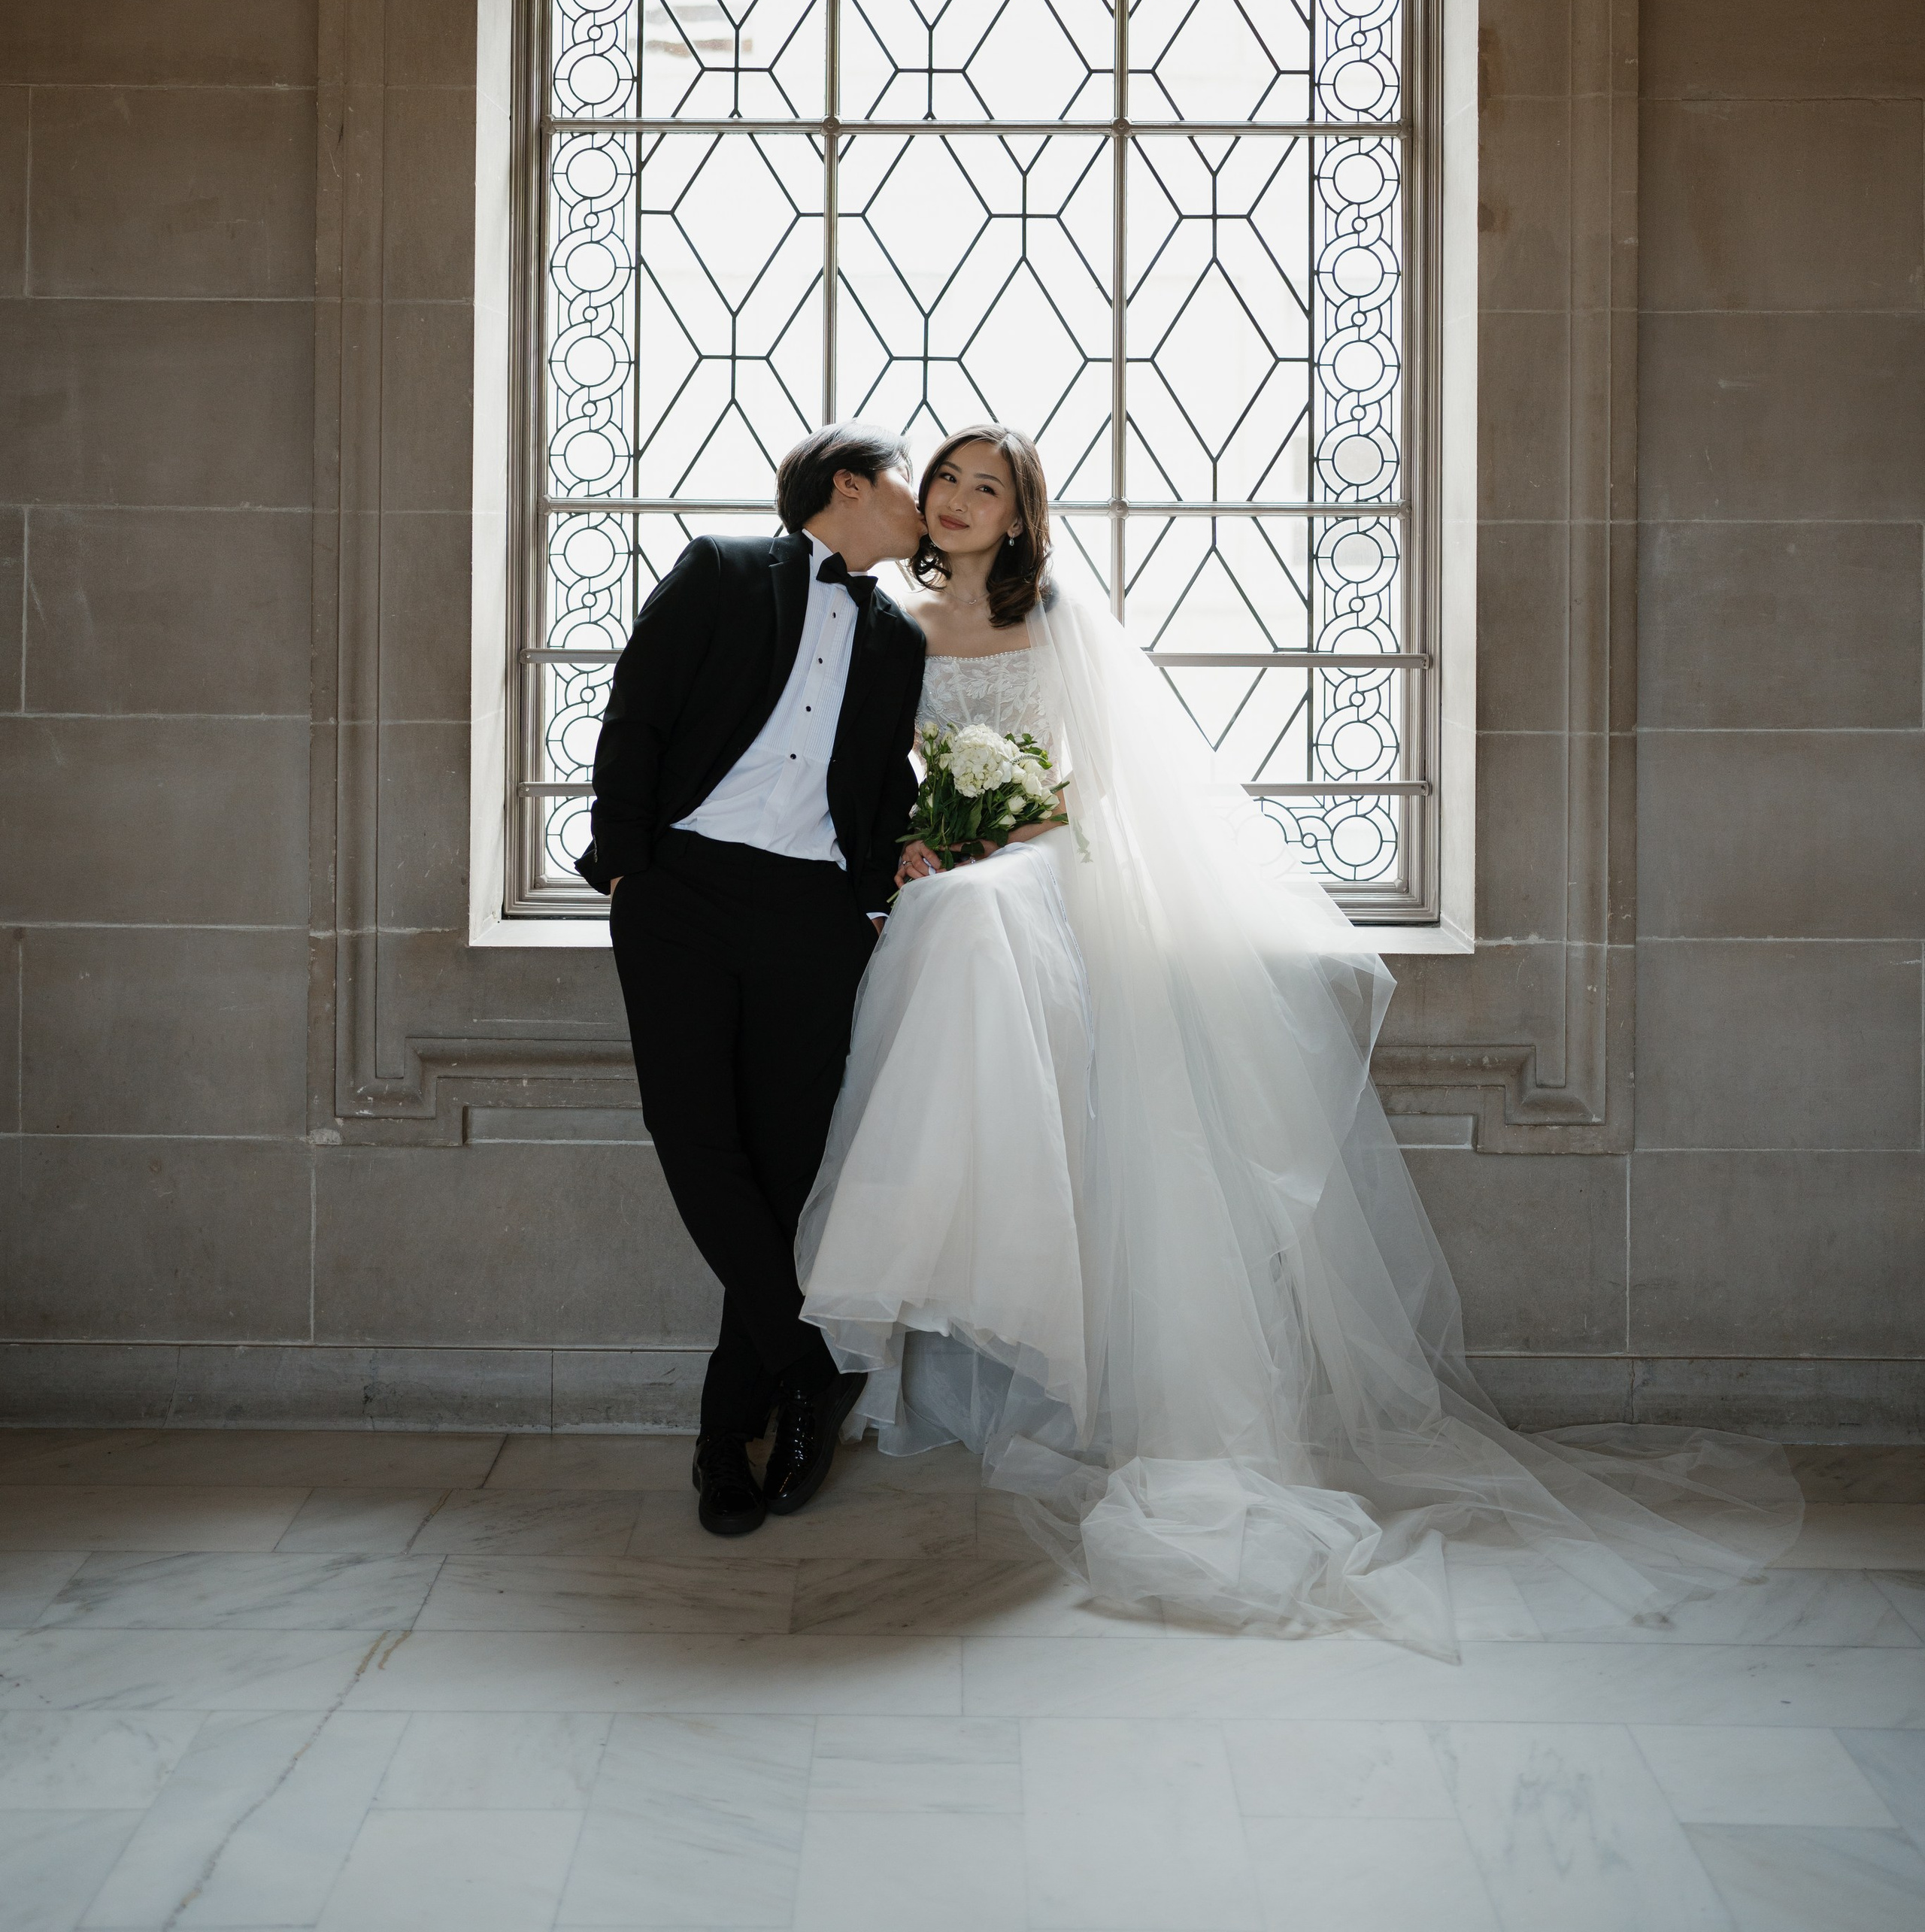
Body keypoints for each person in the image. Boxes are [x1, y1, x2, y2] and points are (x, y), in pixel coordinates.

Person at [797, 425, 1802, 1656]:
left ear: (1020, 515)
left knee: (958, 915)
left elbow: (1083, 783)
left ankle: (927, 1244)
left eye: (984, 487)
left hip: (1044, 861)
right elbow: (874, 772)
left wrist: (987, 837)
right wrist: (919, 838)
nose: (956, 500)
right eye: (945, 480)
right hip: (961, 865)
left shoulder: (1052, 615)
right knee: (938, 915)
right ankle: (950, 1235)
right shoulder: (896, 622)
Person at [578, 424, 926, 1538]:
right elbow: (639, 708)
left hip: (814, 917)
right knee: (694, 1136)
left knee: (779, 1177)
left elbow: (874, 784)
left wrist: (900, 866)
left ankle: (726, 1435)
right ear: (851, 485)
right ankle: (807, 1363)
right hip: (681, 891)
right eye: (912, 481)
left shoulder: (898, 641)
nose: (923, 502)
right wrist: (627, 868)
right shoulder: (722, 570)